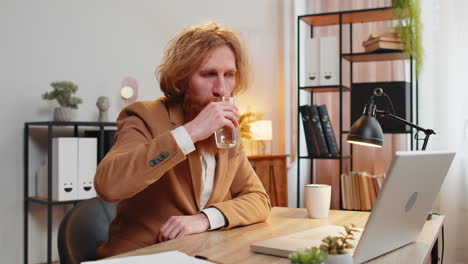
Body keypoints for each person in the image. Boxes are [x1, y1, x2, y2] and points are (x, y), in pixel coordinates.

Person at [94, 22, 271, 258]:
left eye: (229, 75)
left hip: (201, 253)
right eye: (209, 74)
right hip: (142, 256)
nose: (221, 89)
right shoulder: (143, 115)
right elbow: (109, 185)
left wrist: (205, 219)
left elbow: (258, 199)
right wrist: (191, 132)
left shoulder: (227, 131)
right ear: (182, 78)